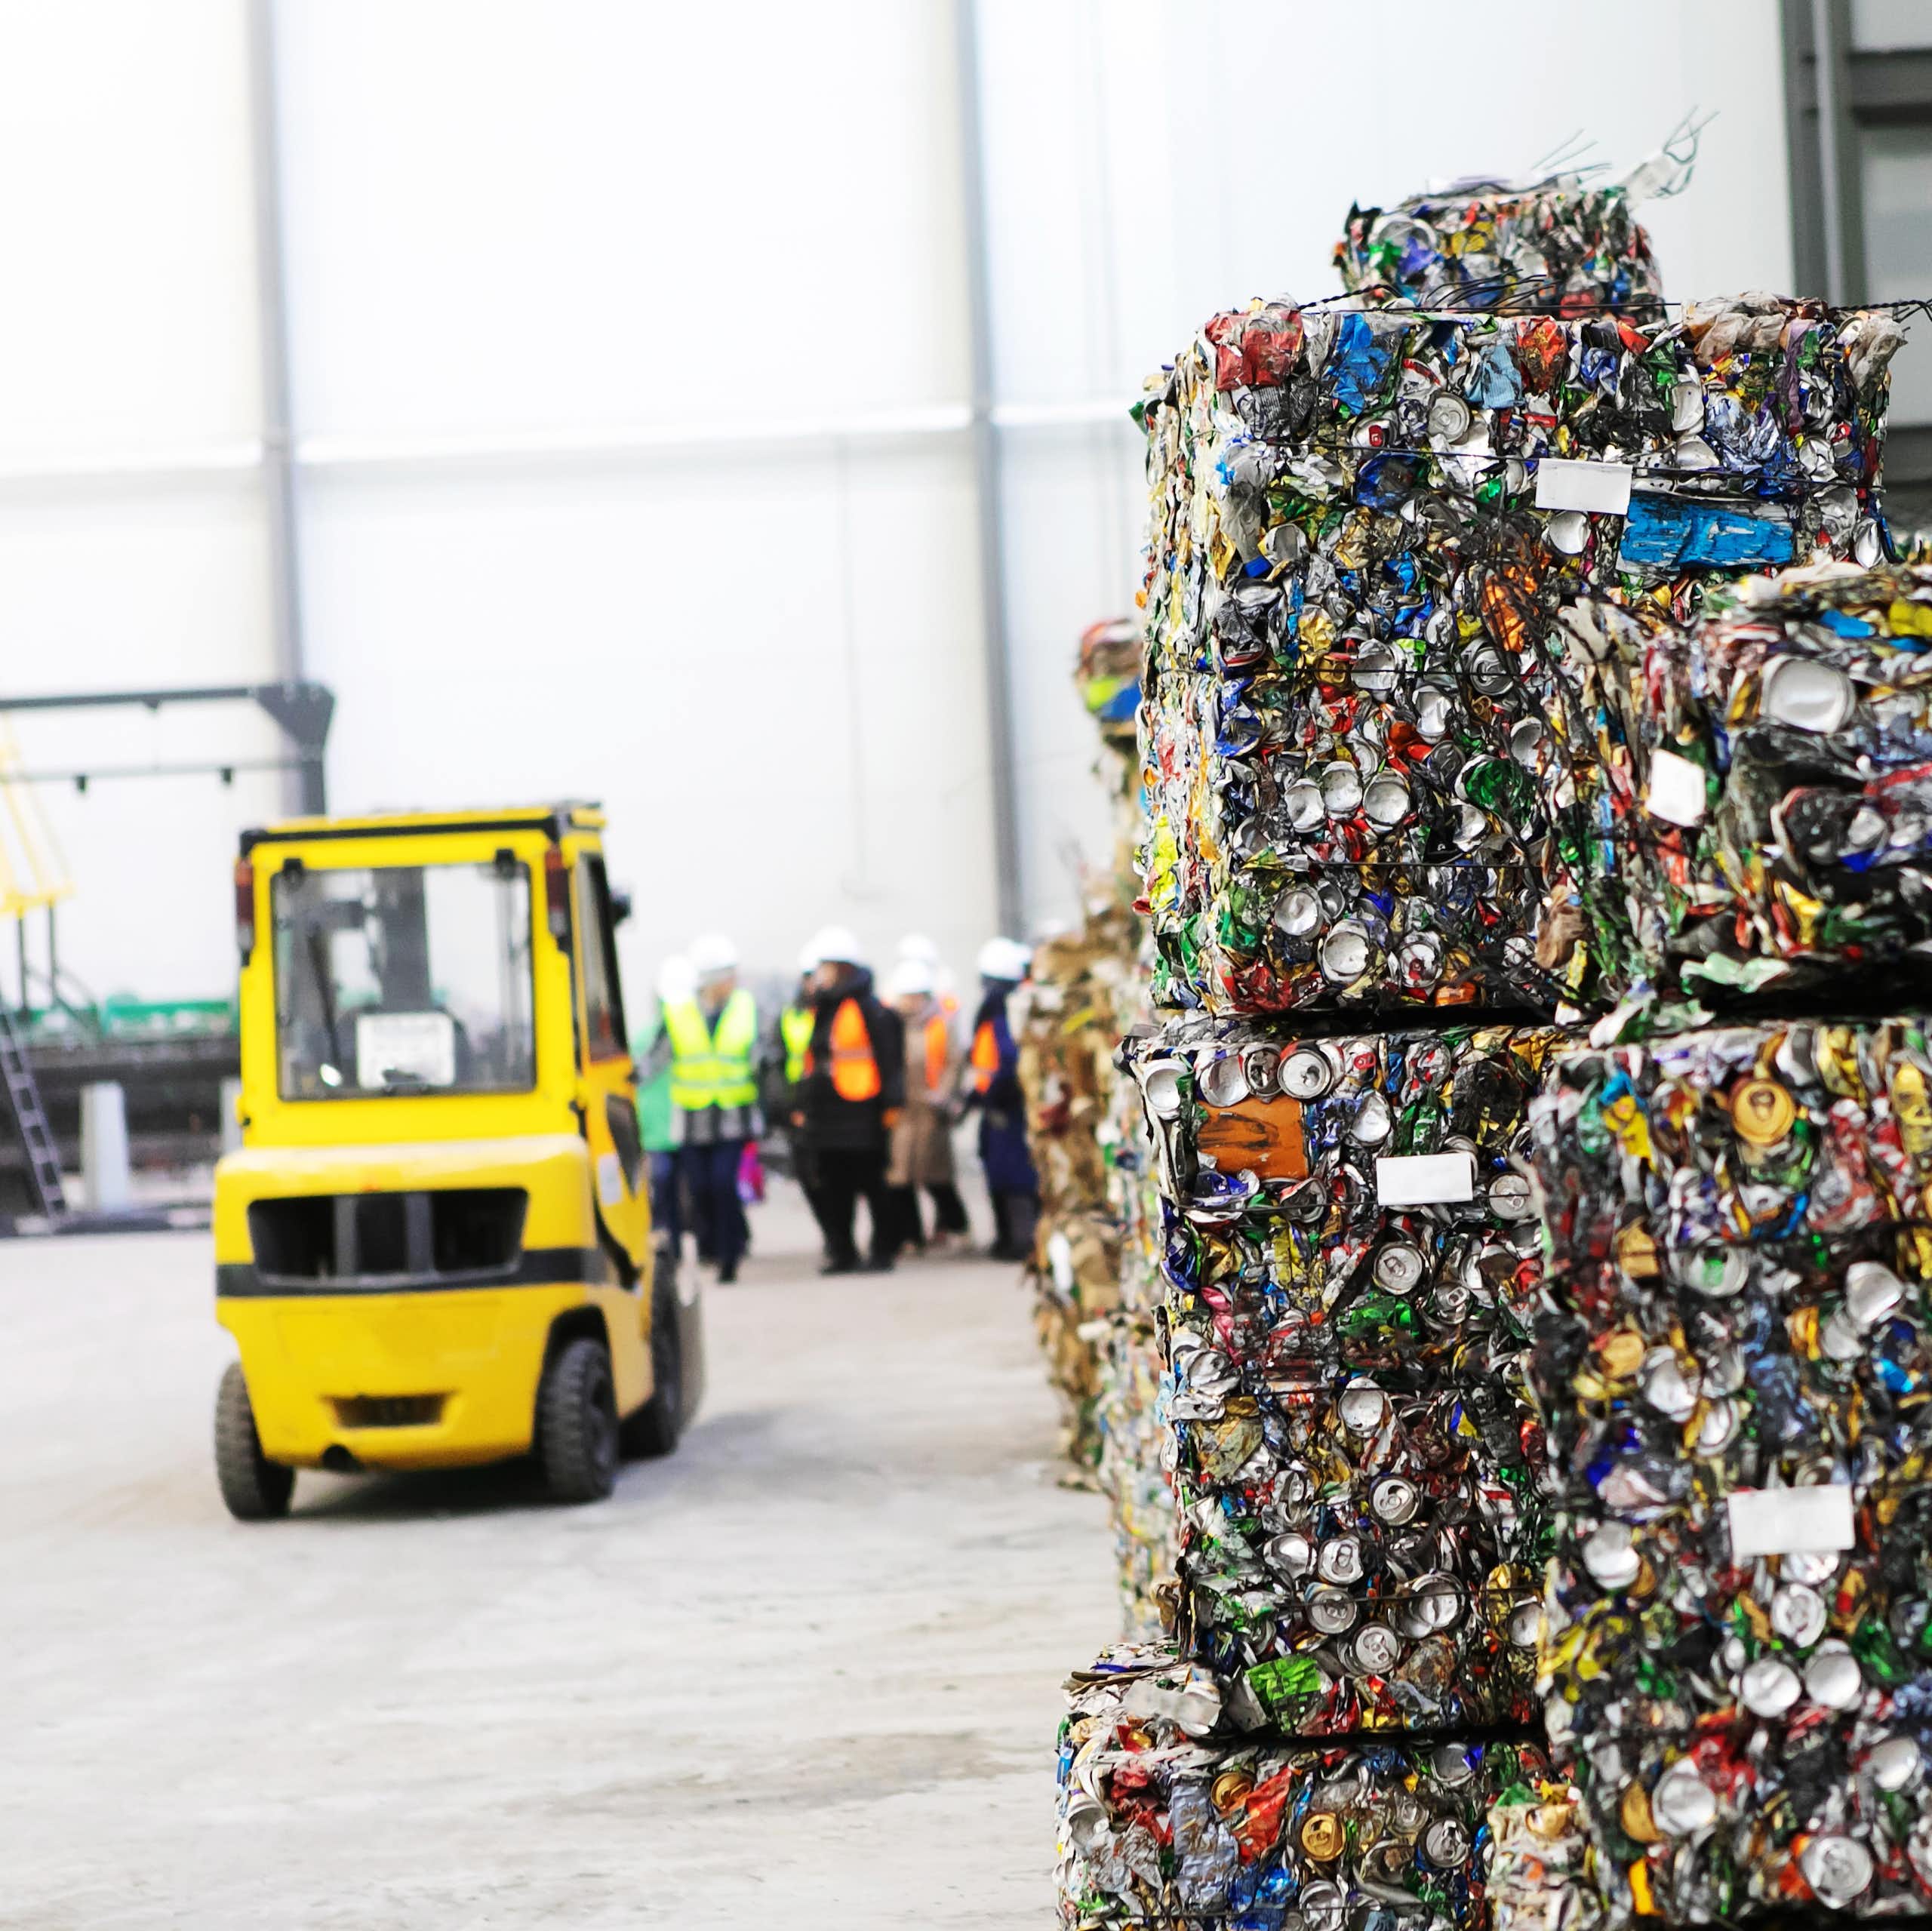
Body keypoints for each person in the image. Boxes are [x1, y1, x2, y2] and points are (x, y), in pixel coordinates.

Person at [794, 927, 903, 1275]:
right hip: (827, 1113)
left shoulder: (871, 1009)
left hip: (862, 1110)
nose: (819, 975)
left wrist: (891, 1104)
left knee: (873, 1183)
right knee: (835, 1186)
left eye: (825, 966)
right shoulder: (822, 1008)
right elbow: (813, 1061)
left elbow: (888, 1058)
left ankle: (883, 1250)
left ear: (842, 968)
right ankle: (843, 1251)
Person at [653, 931, 761, 1284]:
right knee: (698, 1189)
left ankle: (729, 1255)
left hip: (731, 1118)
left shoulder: (745, 1007)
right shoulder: (679, 1012)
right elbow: (656, 1057)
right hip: (693, 1120)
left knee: (723, 1185)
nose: (732, 982)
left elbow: (761, 1055)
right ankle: (711, 1246)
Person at [881, 956, 970, 1256]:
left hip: (931, 1111)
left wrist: (943, 1094)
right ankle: (910, 1235)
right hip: (903, 1112)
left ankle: (957, 1225)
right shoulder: (892, 1025)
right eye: (907, 997)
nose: (911, 1004)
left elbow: (953, 1063)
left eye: (916, 997)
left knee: (937, 1176)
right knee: (900, 1177)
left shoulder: (940, 1026)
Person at [964, 936, 1039, 1262]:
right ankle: (1009, 1237)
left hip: (1007, 1110)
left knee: (1015, 1176)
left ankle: (1021, 1240)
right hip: (998, 1108)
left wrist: (992, 1097)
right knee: (1002, 1174)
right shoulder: (1001, 1014)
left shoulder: (1003, 1016)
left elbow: (1008, 1064)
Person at [762, 939, 835, 1262]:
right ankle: (832, 1236)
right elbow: (777, 1064)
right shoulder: (789, 1016)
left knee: (836, 1177)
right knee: (809, 1177)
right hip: (799, 1108)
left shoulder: (837, 1014)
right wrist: (783, 1108)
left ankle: (840, 1237)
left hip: (832, 1105)